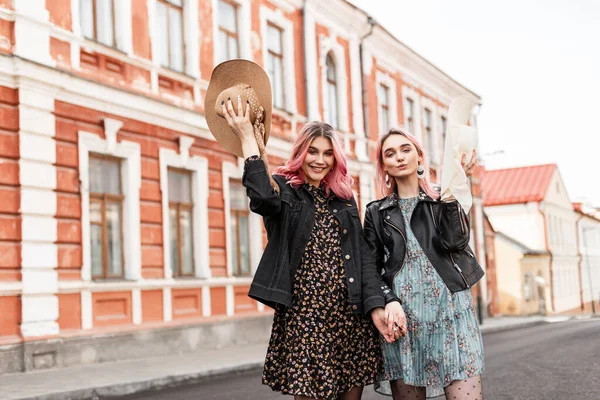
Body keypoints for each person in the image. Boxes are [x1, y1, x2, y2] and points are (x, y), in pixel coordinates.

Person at [221, 95, 394, 400]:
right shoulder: (284, 191)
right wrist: (249, 139)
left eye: (328, 154)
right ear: (301, 153)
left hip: (349, 316)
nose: (320, 160)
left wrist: (376, 304)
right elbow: (261, 197)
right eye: (313, 151)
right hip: (305, 318)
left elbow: (364, 257)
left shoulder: (344, 199)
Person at [361, 127, 485, 400]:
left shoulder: (443, 198)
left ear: (419, 156)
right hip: (405, 319)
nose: (399, 157)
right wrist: (388, 300)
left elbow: (457, 243)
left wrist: (457, 185)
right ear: (385, 167)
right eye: (390, 154)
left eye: (406, 150)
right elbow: (369, 268)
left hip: (450, 315)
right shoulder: (375, 212)